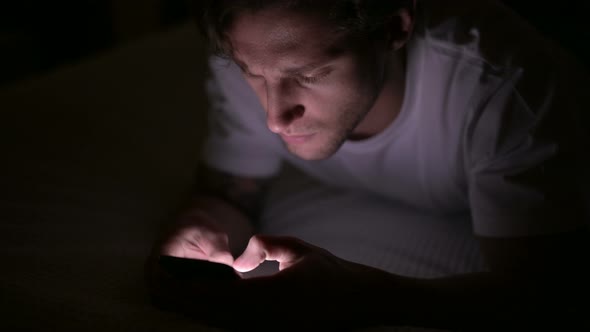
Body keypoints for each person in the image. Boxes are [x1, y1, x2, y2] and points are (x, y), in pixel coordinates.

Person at [146, 0, 590, 331]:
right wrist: (196, 230)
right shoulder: (253, 51)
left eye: (311, 75)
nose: (274, 117)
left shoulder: (499, 85)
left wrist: (365, 295)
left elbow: (541, 297)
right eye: (254, 75)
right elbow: (227, 193)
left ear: (394, 26)